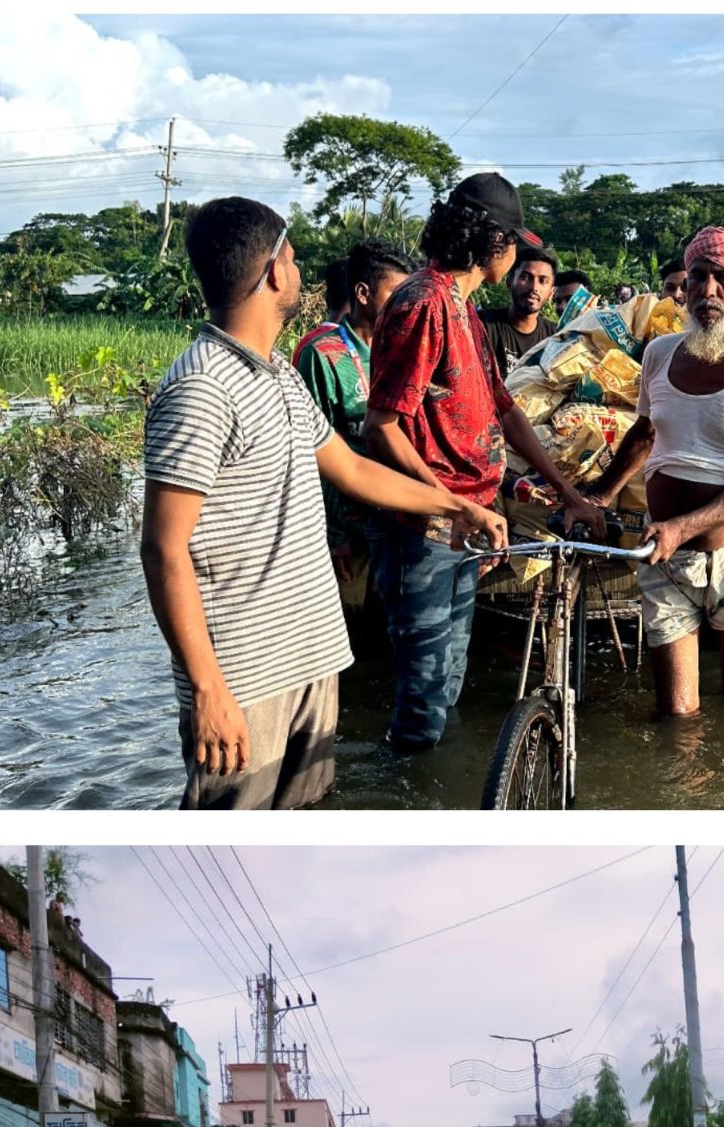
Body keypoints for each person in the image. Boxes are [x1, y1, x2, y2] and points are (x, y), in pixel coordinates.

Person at [142, 197, 503, 809]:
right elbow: (162, 547)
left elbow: (353, 467)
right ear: (275, 272)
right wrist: (208, 691)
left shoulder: (278, 373)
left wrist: (457, 507)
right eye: (294, 255)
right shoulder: (201, 387)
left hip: (309, 657)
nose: (301, 269)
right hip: (244, 680)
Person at [365, 173, 606, 751]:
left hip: (464, 525)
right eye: (515, 243)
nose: (520, 256)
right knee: (422, 699)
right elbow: (382, 428)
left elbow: (506, 412)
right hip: (423, 528)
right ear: (492, 241)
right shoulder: (424, 304)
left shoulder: (464, 310)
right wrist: (450, 505)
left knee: (447, 680)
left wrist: (566, 491)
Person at [587, 226, 724, 715]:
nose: (706, 291)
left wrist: (681, 528)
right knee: (675, 716)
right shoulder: (660, 353)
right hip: (664, 552)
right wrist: (597, 497)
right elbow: (643, 436)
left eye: (722, 279)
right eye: (697, 278)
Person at [294, 241, 419, 622]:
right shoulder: (322, 353)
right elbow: (307, 453)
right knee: (349, 626)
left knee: (395, 627)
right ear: (363, 293)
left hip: (399, 514)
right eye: (396, 295)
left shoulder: (406, 349)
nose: (405, 306)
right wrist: (334, 537)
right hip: (348, 522)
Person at [479, 233, 558, 370]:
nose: (534, 287)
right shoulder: (483, 324)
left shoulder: (555, 337)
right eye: (526, 277)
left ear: (551, 293)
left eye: (543, 281)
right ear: (509, 282)